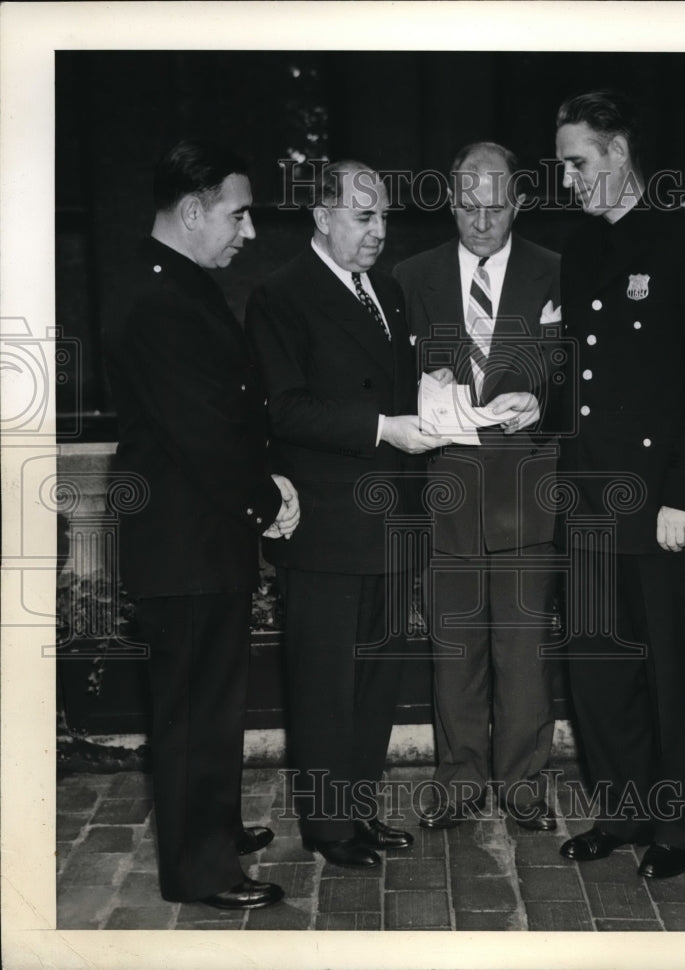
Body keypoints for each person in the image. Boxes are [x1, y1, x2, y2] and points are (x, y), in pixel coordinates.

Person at [104, 139, 300, 910]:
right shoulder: (159, 300)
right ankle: (199, 869)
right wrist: (268, 503)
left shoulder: (175, 284)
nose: (248, 232)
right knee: (193, 708)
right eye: (237, 214)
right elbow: (208, 431)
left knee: (211, 698)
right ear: (191, 212)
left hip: (197, 535)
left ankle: (210, 825)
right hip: (187, 541)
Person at [246, 161, 447, 869]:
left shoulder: (386, 292)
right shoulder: (280, 296)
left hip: (393, 519)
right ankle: (328, 828)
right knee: (325, 684)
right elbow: (284, 407)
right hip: (327, 526)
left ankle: (359, 811)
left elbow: (397, 393)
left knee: (377, 678)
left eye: (384, 217)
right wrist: (383, 428)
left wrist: (445, 400)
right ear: (321, 217)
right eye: (364, 218)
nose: (378, 232)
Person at [553, 92, 685, 878]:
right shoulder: (580, 247)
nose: (568, 179)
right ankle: (619, 811)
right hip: (588, 493)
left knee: (667, 667)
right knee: (597, 663)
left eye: (578, 162)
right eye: (562, 165)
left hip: (660, 499)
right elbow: (586, 378)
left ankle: (676, 827)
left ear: (619, 153)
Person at [394, 142, 562, 830]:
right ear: (451, 200)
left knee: (522, 654)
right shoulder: (411, 276)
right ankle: (459, 783)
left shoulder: (558, 270)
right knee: (454, 650)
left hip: (527, 490)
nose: (483, 220)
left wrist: (545, 400)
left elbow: (583, 374)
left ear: (517, 202)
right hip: (447, 493)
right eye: (469, 204)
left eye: (497, 206)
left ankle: (525, 785)